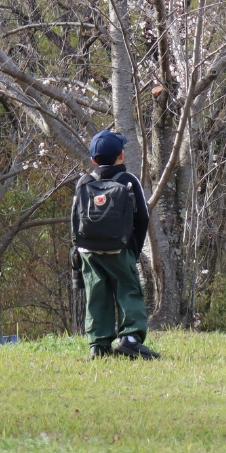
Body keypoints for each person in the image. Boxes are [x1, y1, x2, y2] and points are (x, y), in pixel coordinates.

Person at [70, 130, 160, 360]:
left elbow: (75, 218)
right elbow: (142, 218)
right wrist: (133, 250)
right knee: (129, 290)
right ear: (121, 155)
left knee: (96, 294)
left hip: (88, 249)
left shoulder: (84, 181)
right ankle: (130, 339)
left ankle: (98, 345)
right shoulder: (128, 181)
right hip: (120, 248)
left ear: (92, 160)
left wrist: (78, 249)